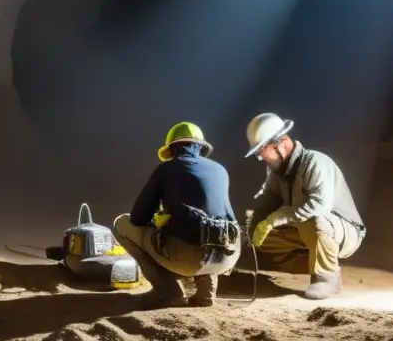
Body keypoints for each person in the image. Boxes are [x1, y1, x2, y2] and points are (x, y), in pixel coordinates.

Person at [113, 121, 241, 308]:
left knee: (122, 224)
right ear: (200, 146)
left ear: (173, 149)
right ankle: (206, 293)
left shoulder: (167, 169)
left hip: (190, 258)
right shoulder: (220, 170)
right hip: (229, 255)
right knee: (208, 228)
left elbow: (138, 217)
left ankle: (167, 290)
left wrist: (160, 221)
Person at [244, 113, 365, 300]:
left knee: (315, 221)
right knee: (264, 237)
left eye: (262, 150)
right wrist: (251, 232)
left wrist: (277, 217)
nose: (261, 157)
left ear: (281, 143)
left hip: (343, 231)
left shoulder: (316, 162)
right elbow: (265, 204)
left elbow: (318, 206)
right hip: (306, 230)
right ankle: (311, 262)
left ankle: (326, 277)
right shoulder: (277, 174)